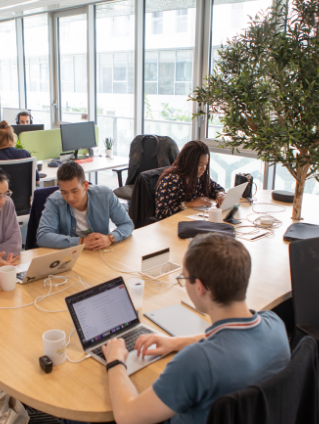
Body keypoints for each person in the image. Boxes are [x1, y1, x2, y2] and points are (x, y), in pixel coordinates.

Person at [101, 233, 291, 424]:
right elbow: (233, 340)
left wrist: (115, 361)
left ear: (199, 287)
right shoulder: (275, 324)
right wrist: (174, 343)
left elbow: (126, 416)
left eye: (184, 277)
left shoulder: (196, 362)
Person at [37, 161, 133, 250]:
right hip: (71, 254)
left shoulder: (105, 195)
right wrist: (81, 242)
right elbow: (42, 236)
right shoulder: (54, 201)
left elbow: (127, 224)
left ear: (86, 185)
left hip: (100, 252)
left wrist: (110, 238)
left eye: (75, 191)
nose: (70, 198)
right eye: (64, 192)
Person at [155, 140, 226, 220]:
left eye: (205, 164)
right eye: (199, 164)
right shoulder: (171, 180)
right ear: (188, 162)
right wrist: (190, 204)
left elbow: (216, 187)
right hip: (173, 223)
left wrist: (220, 195)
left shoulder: (200, 176)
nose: (203, 169)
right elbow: (162, 213)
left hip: (193, 220)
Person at [0, 121, 39, 185]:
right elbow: (37, 181)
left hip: (3, 192)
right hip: (23, 192)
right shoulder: (25, 154)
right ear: (13, 137)